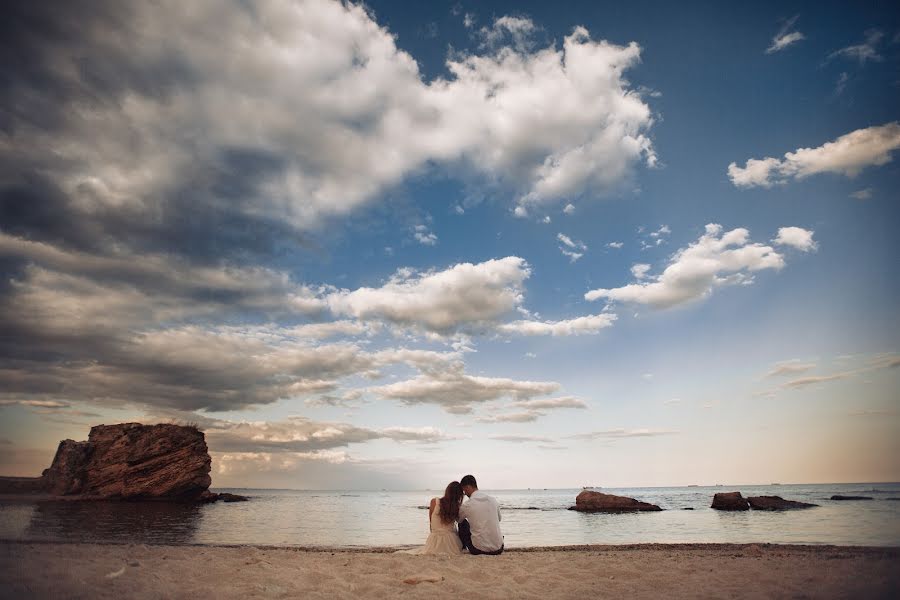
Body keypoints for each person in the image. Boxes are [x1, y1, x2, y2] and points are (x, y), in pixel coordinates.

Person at [399, 481, 464, 555]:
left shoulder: (434, 502)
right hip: (451, 542)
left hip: (435, 539)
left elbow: (431, 523)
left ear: (447, 491)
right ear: (459, 495)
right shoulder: (457, 507)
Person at [457, 474, 503, 555]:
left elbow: (458, 519)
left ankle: (463, 547)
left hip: (478, 549)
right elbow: (499, 519)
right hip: (498, 548)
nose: (465, 494)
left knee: (463, 523)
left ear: (468, 487)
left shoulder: (468, 504)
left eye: (464, 491)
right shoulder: (492, 500)